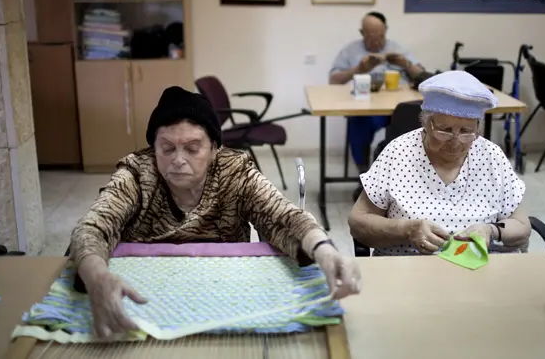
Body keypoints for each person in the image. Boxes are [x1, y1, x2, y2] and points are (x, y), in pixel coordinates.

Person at [69, 86, 361, 338]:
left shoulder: (235, 171)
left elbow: (282, 215)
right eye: (166, 148)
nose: (178, 160)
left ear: (215, 148)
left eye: (192, 148)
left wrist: (324, 251)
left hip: (225, 291)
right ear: (153, 148)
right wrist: (98, 278)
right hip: (146, 295)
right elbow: (92, 228)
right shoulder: (137, 172)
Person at [348, 71, 531, 256]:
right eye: (445, 130)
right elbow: (358, 221)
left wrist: (491, 231)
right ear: (426, 123)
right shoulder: (398, 153)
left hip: (478, 270)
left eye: (467, 131)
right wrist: (406, 229)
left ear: (478, 128)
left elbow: (522, 225)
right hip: (408, 268)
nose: (455, 140)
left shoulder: (492, 156)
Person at [329, 12, 426, 174]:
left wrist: (407, 64)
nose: (376, 42)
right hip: (366, 105)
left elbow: (421, 75)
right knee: (358, 122)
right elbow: (334, 80)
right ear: (362, 33)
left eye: (380, 36)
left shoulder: (396, 48)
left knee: (414, 118)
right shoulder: (350, 50)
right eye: (371, 37)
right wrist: (358, 69)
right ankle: (364, 173)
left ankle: (400, 172)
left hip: (398, 106)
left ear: (386, 31)